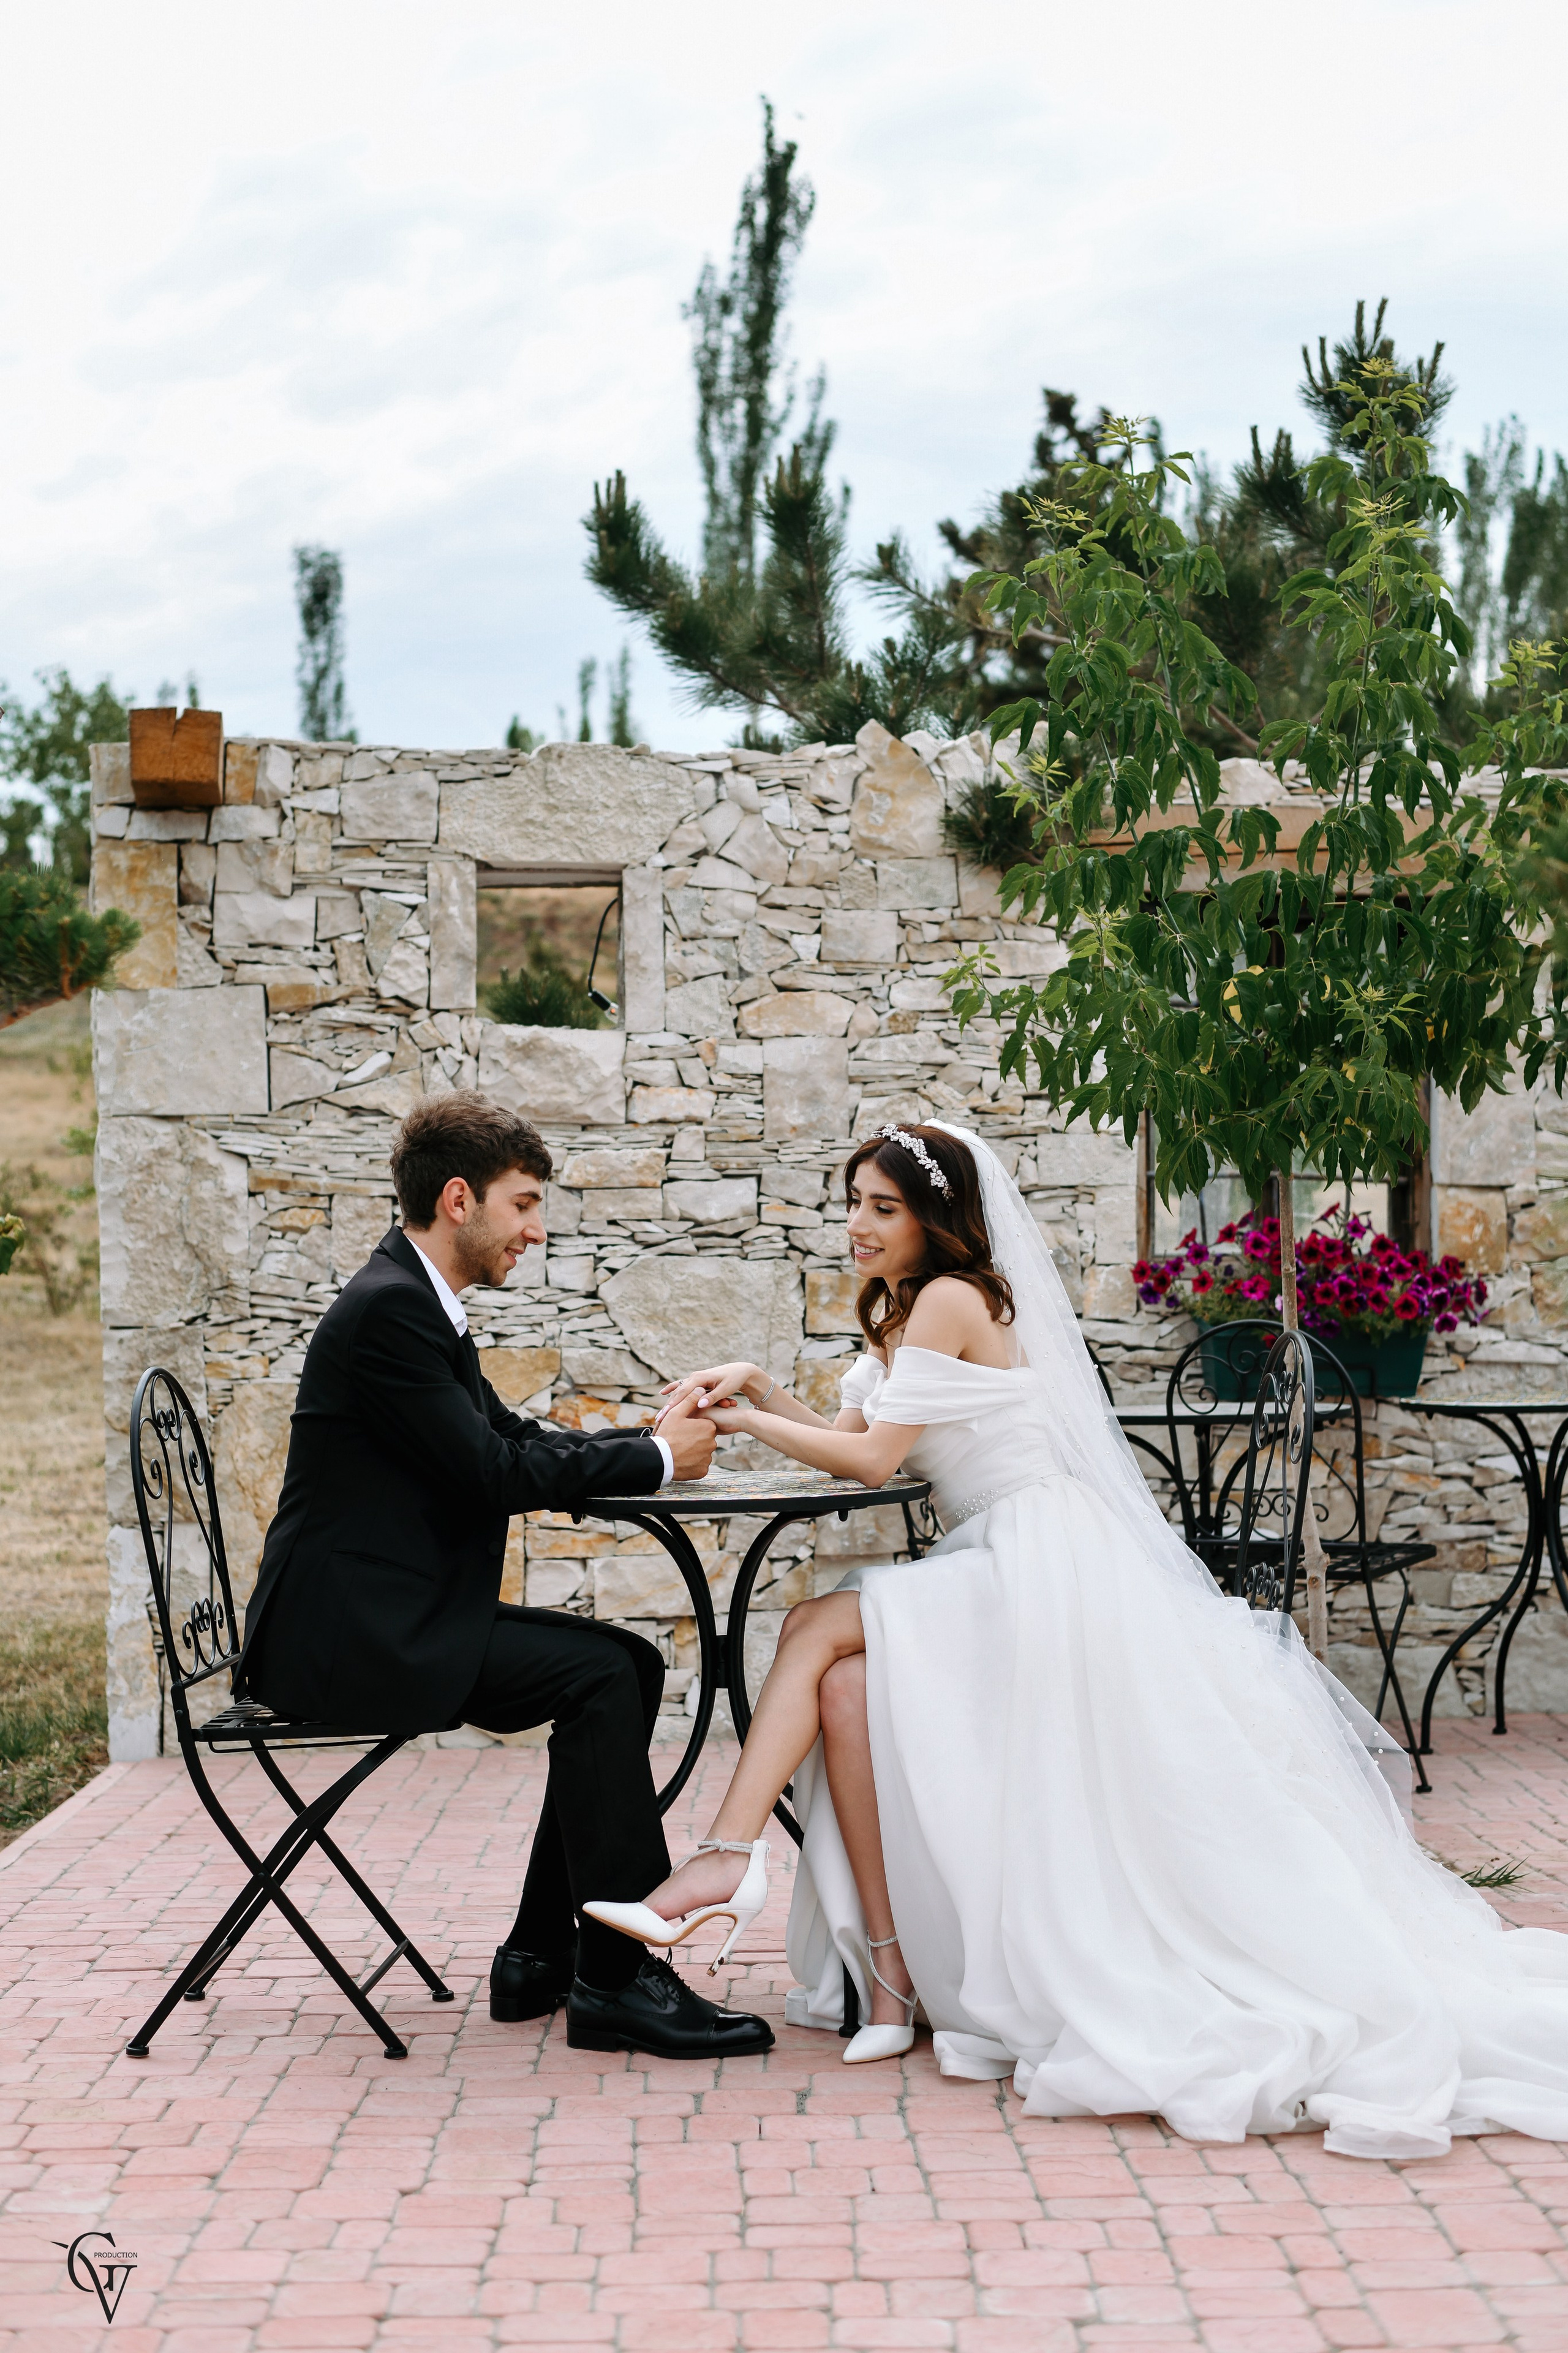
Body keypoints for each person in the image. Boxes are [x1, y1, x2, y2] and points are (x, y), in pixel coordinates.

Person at [587, 1120, 1568, 2156]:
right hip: (1000, 1554)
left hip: (1036, 1556)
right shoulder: (922, 1305)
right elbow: (860, 1440)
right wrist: (755, 1384)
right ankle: (886, 1973)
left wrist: (743, 1424)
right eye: (853, 1204)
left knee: (810, 1624)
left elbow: (872, 1463)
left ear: (935, 1218)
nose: (857, 1226)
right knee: (841, 1687)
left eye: (882, 1207)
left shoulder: (953, 1298)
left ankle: (724, 1859)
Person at [240, 1090, 771, 2063]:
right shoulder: (391, 1311)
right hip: (350, 1639)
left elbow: (510, 1438)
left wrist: (647, 1439)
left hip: (389, 1617)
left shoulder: (414, 1301)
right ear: (459, 1199)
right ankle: (618, 1979)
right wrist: (657, 1462)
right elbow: (494, 1474)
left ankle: (539, 1956)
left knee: (624, 1665)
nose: (536, 1229)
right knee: (604, 1674)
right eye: (522, 1204)